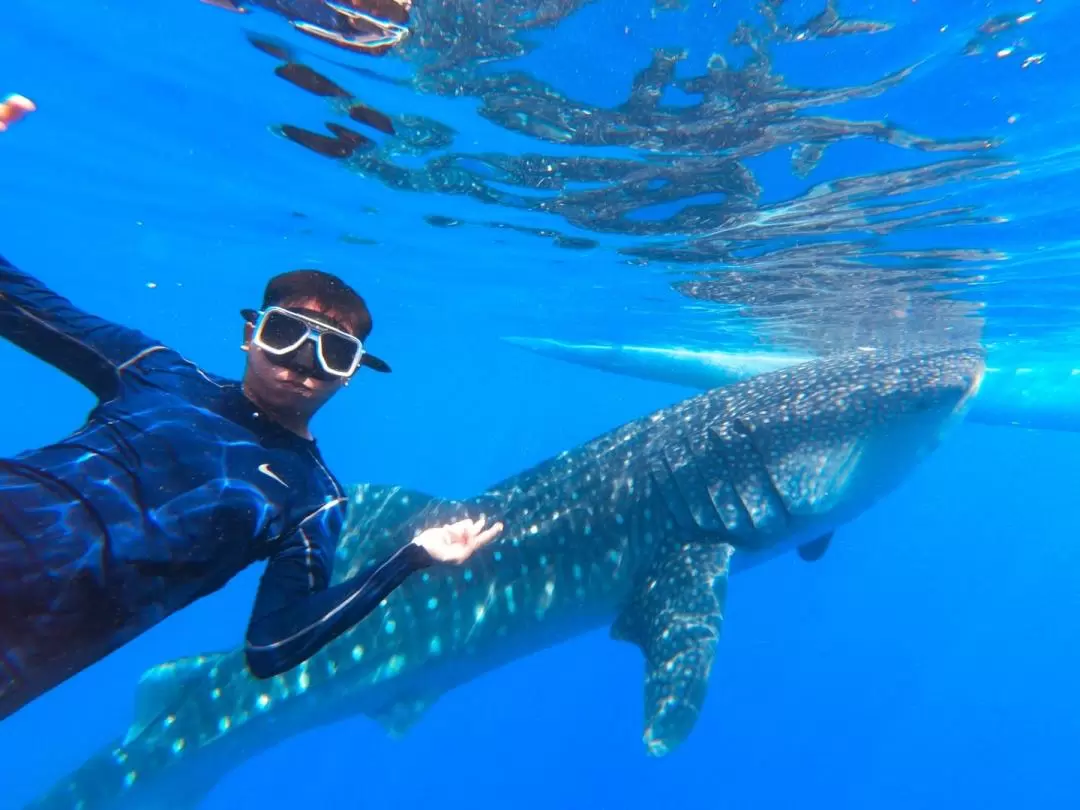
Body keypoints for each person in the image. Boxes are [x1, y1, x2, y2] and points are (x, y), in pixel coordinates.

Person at [0, 254, 503, 721]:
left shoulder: (313, 499)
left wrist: (410, 557)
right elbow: (21, 302)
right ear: (251, 332)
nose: (304, 362)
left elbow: (272, 647)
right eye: (286, 333)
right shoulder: (152, 370)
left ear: (350, 373)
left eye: (332, 351)